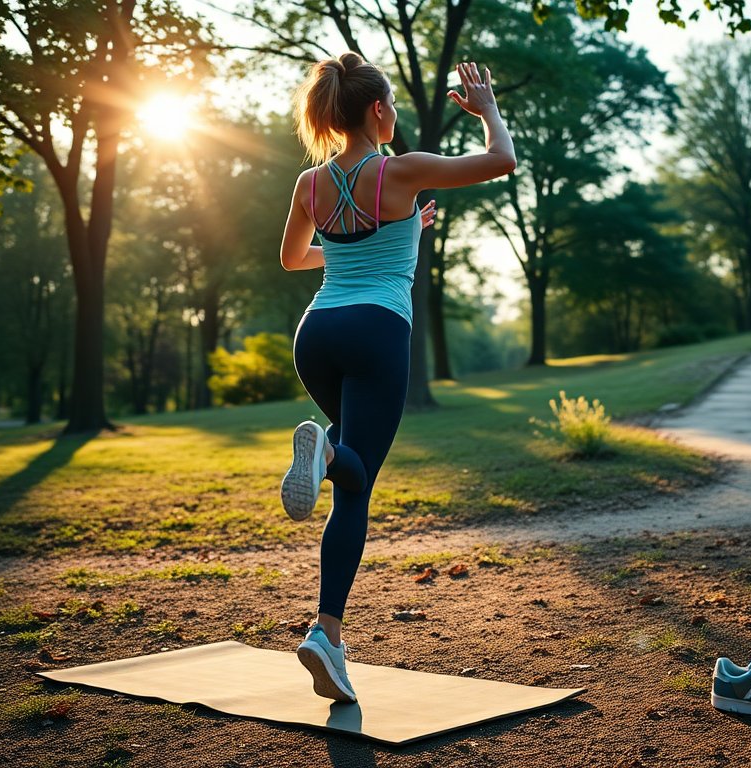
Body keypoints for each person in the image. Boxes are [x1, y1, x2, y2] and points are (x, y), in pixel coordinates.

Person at [278, 52, 516, 703]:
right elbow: (501, 160)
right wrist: (487, 108)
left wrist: (403, 230)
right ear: (378, 109)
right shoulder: (400, 170)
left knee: (354, 478)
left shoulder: (310, 184)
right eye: (392, 106)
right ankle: (325, 456)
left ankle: (328, 636)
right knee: (353, 472)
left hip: (316, 334)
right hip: (377, 332)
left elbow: (294, 258)